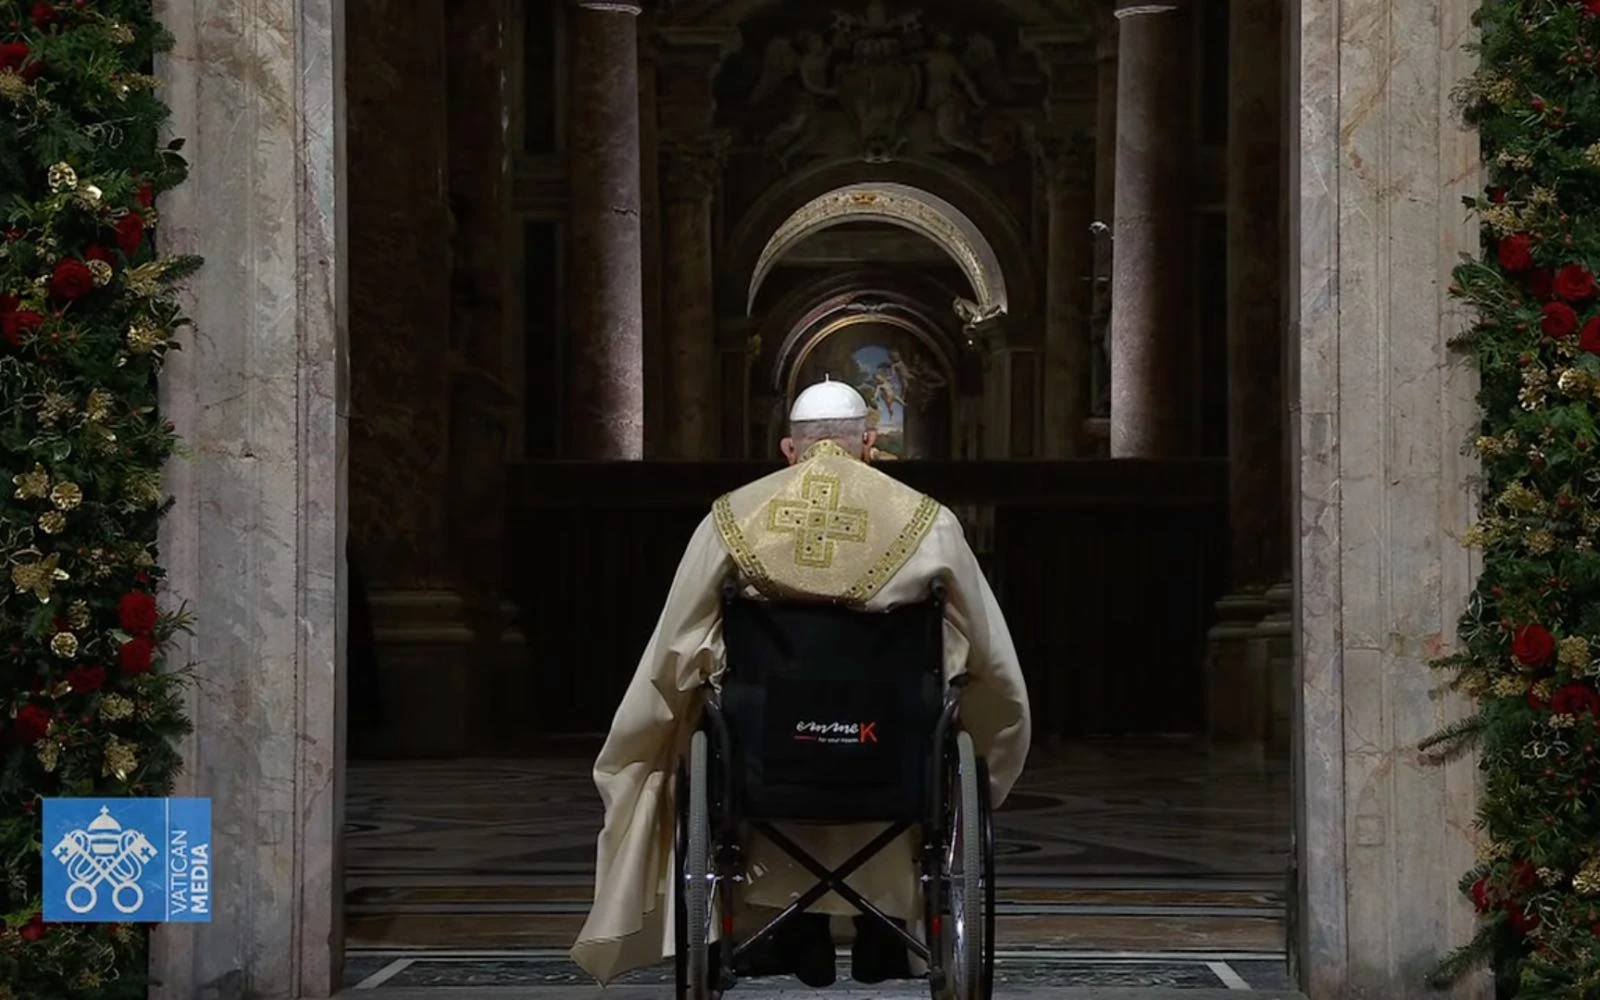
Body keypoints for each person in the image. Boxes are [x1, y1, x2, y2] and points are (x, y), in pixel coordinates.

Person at [570, 376, 1031, 987]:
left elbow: (674, 648)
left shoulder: (732, 519)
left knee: (735, 719)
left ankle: (789, 928)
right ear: (868, 443)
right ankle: (883, 933)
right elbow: (991, 661)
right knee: (920, 720)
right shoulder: (929, 525)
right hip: (889, 761)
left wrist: (650, 739)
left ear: (791, 448)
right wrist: (992, 744)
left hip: (767, 764)